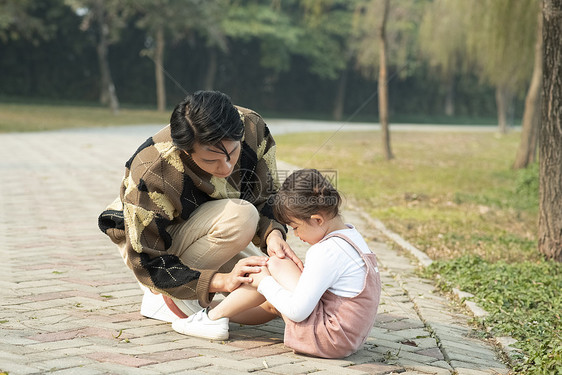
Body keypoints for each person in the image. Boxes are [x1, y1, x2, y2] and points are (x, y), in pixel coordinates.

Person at [98, 91, 302, 321]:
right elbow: (147, 262)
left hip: (213, 228)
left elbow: (266, 195)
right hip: (154, 247)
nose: (226, 168)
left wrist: (273, 236)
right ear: (185, 150)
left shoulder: (253, 128)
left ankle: (192, 305)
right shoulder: (152, 169)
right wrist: (222, 280)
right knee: (242, 215)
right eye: (210, 160)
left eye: (233, 153)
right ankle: (165, 296)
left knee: (278, 296)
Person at [172, 169, 382, 359]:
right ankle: (209, 314)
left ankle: (211, 317)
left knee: (271, 267)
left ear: (317, 220)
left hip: (327, 338)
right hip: (346, 339)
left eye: (295, 227)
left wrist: (264, 282)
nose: (296, 235)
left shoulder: (325, 251)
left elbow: (297, 311)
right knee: (273, 300)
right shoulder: (352, 236)